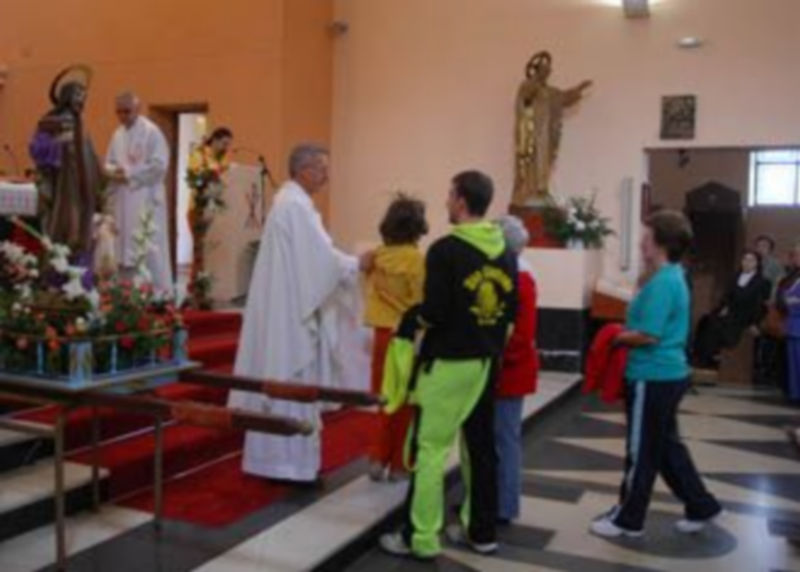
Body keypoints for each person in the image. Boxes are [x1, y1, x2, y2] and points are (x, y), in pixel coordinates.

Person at [380, 170, 518, 559]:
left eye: (449, 194)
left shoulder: (445, 251)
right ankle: (482, 531)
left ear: (460, 200)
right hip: (486, 364)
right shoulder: (505, 251)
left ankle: (419, 538)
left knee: (430, 450)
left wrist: (411, 321)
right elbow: (510, 313)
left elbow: (436, 312)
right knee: (480, 448)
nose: (445, 201)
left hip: (448, 364)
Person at [228, 143, 372, 482]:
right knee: (292, 377)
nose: (327, 175)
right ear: (304, 169)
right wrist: (356, 264)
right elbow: (320, 261)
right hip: (291, 317)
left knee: (285, 380)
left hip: (288, 307)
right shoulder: (294, 206)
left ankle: (277, 462)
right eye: (322, 168)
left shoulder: (292, 203)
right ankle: (287, 467)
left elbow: (315, 257)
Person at [590, 209, 722, 538]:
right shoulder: (669, 275)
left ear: (660, 243)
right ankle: (701, 505)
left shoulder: (664, 281)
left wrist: (614, 336)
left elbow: (648, 335)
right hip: (666, 374)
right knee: (665, 448)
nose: (641, 244)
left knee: (641, 450)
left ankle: (628, 520)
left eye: (646, 238)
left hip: (654, 375)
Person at [364, 194, 427, 482]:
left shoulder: (376, 256)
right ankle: (400, 465)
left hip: (380, 334)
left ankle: (377, 457)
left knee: (383, 399)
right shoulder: (416, 260)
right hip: (406, 336)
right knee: (405, 402)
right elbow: (421, 300)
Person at [29, 66, 105, 260]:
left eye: (83, 95)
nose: (81, 99)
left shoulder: (79, 122)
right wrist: (59, 150)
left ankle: (78, 267)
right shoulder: (50, 121)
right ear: (67, 96)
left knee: (81, 224)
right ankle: (60, 262)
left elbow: (88, 153)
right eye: (77, 94)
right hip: (62, 182)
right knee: (64, 223)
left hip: (82, 184)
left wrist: (99, 171)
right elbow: (36, 148)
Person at [493, 215, 539, 524]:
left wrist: (489, 354)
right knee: (495, 440)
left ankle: (504, 506)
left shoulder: (521, 279)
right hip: (503, 369)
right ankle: (489, 499)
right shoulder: (515, 274)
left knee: (505, 441)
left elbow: (520, 336)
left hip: (509, 370)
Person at [105, 91, 173, 292]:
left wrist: (130, 175)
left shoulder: (151, 132)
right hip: (122, 198)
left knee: (147, 244)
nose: (122, 116)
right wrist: (112, 171)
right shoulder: (117, 134)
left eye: (127, 111)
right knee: (123, 246)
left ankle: (156, 292)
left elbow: (159, 165)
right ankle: (127, 291)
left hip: (145, 197)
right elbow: (108, 162)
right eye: (119, 112)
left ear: (138, 109)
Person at [512, 51, 592, 206]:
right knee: (532, 161)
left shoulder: (550, 92)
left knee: (545, 161)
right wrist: (535, 81)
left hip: (547, 133)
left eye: (549, 71)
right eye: (544, 70)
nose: (547, 73)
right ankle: (529, 191)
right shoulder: (528, 85)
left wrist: (579, 89)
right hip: (532, 133)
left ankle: (542, 189)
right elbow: (526, 97)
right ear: (537, 70)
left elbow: (564, 97)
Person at [692, 250, 771, 368]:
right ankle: (703, 357)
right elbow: (726, 296)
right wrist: (724, 307)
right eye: (744, 259)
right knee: (706, 321)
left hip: (747, 316)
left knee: (720, 327)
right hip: (731, 311)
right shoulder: (735, 277)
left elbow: (761, 305)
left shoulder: (763, 282)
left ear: (757, 264)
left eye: (751, 260)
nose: (747, 263)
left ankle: (713, 358)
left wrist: (755, 323)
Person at [778, 243, 800, 401]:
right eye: (795, 255)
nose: (796, 258)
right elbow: (783, 296)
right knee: (793, 366)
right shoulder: (790, 277)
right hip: (791, 325)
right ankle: (794, 394)